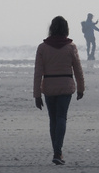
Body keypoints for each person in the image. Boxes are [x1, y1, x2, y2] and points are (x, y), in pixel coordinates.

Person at [33, 15, 85, 165]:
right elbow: (78, 70)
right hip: (65, 84)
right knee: (62, 117)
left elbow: (38, 73)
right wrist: (81, 87)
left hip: (49, 85)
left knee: (53, 119)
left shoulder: (42, 47)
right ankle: (58, 152)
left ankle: (56, 151)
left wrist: (37, 95)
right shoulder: (71, 47)